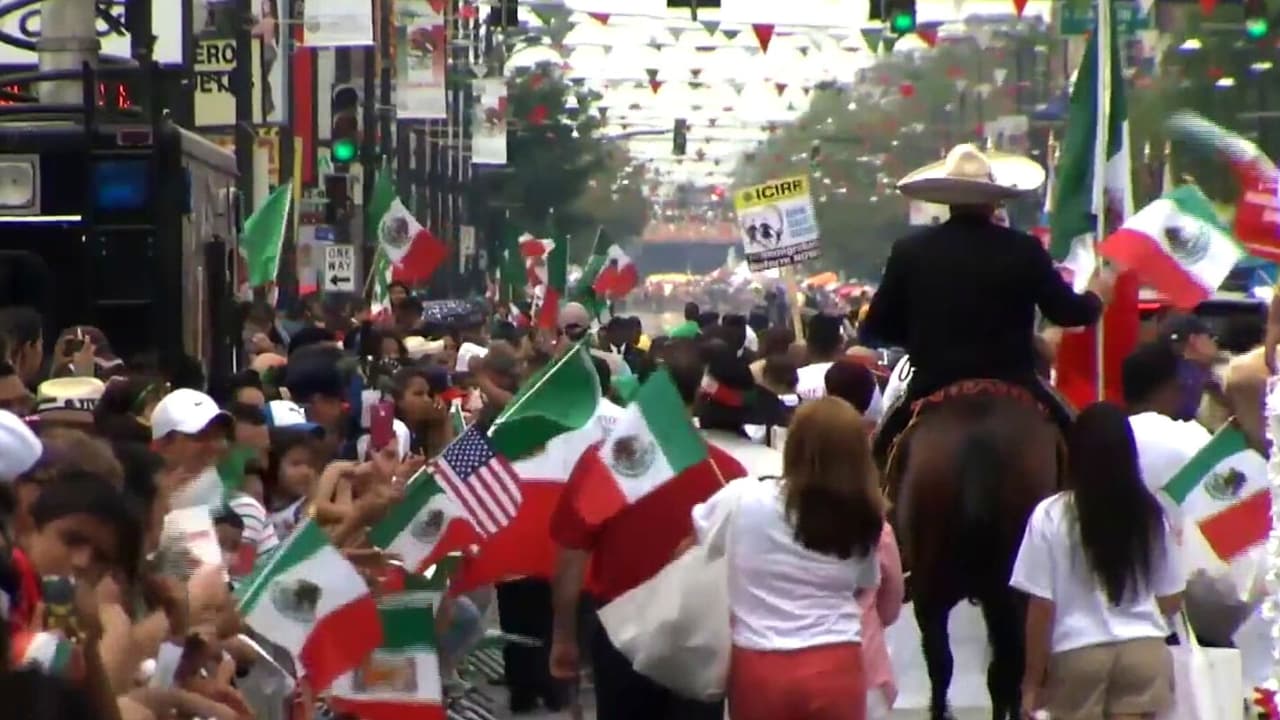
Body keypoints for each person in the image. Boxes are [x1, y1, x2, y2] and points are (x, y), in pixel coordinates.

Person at [862, 144, 1111, 468]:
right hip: (1015, 380)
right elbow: (1069, 312)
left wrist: (919, 332)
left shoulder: (910, 250)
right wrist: (1096, 295)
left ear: (949, 200)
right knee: (1080, 448)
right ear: (995, 200)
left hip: (932, 383)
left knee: (879, 454)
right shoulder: (1024, 249)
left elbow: (876, 329)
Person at [698, 397, 885, 720]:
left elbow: (693, 544)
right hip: (837, 662)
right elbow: (865, 583)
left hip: (758, 665)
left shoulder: (742, 497)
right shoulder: (864, 515)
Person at [1012, 402, 1183, 720]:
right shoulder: (1150, 515)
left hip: (1078, 656)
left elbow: (1042, 608)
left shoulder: (1050, 515)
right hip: (1144, 653)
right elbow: (1171, 598)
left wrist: (1032, 682)